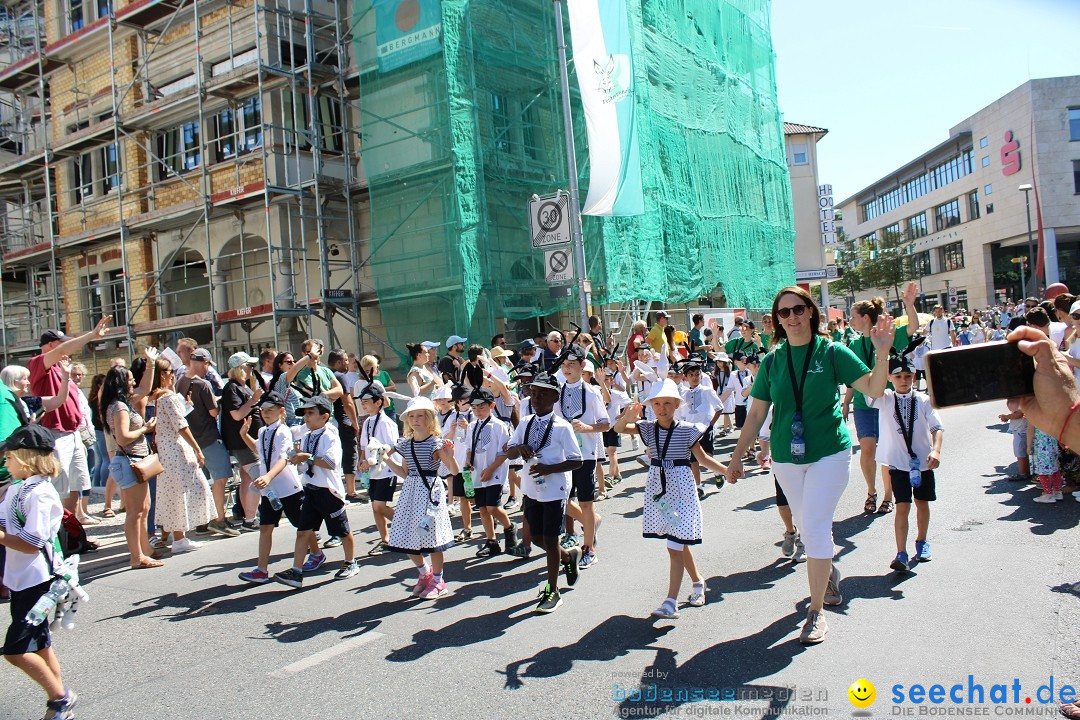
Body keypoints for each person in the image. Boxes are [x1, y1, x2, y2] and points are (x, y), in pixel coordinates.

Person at [727, 286, 896, 645]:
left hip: (829, 454)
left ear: (810, 312)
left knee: (816, 530)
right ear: (777, 320)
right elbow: (757, 412)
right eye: (784, 313)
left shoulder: (833, 352)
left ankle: (816, 612)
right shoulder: (773, 361)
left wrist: (882, 355)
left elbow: (874, 389)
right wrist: (736, 456)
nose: (792, 317)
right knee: (807, 528)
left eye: (798, 310)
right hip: (787, 459)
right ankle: (828, 571)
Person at [614, 379, 729, 618]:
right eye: (656, 403)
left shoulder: (687, 429)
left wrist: (727, 471)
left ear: (677, 404)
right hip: (660, 489)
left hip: (683, 489)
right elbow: (618, 430)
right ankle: (698, 583)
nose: (661, 408)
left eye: (667, 403)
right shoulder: (646, 428)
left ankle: (670, 601)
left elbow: (703, 458)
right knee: (678, 542)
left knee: (674, 545)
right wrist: (627, 416)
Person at [0, 424, 78, 720]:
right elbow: (5, 523)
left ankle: (60, 699)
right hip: (21, 579)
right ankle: (61, 701)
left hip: (41, 581)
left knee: (15, 650)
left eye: (8, 458)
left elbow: (32, 542)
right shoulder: (16, 489)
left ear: (26, 458)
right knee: (41, 645)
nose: (4, 462)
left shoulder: (42, 494)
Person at [502, 371, 584, 613]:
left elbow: (576, 460)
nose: (535, 397)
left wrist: (550, 468)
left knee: (550, 539)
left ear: (555, 397)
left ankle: (552, 591)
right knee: (536, 537)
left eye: (542, 393)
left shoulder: (562, 427)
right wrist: (520, 448)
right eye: (533, 392)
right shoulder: (526, 422)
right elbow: (509, 452)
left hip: (555, 489)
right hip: (531, 487)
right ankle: (568, 557)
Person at [843, 282, 920, 516]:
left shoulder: (888, 335)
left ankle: (888, 495)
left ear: (866, 317)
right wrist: (846, 401)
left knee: (885, 449)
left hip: (886, 401)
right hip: (862, 403)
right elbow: (852, 377)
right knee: (867, 448)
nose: (850, 322)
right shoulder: (854, 343)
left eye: (853, 317)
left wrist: (909, 305)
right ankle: (871, 491)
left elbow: (913, 327)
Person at [865, 355, 944, 571]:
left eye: (908, 376)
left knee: (922, 503)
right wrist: (882, 360)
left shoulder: (923, 400)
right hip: (898, 465)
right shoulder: (885, 398)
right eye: (898, 376)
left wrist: (936, 450)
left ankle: (922, 541)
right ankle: (901, 553)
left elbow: (937, 427)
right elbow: (871, 389)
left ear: (914, 376)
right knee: (902, 506)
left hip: (923, 463)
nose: (903, 380)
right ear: (890, 378)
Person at [274, 396, 358, 588]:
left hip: (329, 491)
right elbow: (307, 463)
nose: (306, 418)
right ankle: (296, 572)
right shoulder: (307, 436)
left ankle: (351, 562)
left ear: (325, 416)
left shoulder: (330, 435)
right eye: (305, 414)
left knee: (342, 530)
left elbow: (330, 462)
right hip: (311, 489)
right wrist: (298, 459)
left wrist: (308, 457)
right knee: (303, 531)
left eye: (311, 413)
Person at [28, 320, 110, 513]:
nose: (66, 349)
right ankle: (59, 534)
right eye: (61, 343)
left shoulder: (59, 367)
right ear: (49, 345)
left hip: (72, 433)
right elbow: (59, 351)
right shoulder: (38, 363)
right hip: (55, 433)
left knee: (76, 484)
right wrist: (91, 335)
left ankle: (72, 532)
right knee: (58, 486)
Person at [237, 392, 319, 584]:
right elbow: (259, 449)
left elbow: (284, 458)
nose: (265, 414)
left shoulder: (283, 431)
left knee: (303, 526)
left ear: (281, 411)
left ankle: (316, 553)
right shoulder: (263, 431)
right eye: (263, 410)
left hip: (287, 487)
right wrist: (244, 435)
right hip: (269, 489)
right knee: (265, 527)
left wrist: (267, 476)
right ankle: (261, 569)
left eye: (270, 410)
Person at [382, 396, 459, 600]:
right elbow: (405, 472)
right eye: (411, 416)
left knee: (432, 538)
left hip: (430, 493)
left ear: (429, 419)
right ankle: (424, 572)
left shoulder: (437, 443)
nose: (415, 420)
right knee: (405, 535)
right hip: (410, 492)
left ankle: (438, 580)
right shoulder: (405, 444)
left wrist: (450, 455)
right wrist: (387, 459)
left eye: (420, 416)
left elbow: (453, 470)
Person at [148, 357, 214, 553]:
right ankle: (179, 538)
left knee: (172, 493)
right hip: (176, 450)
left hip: (166, 450)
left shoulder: (158, 397)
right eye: (169, 372)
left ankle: (173, 535)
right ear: (162, 375)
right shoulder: (167, 397)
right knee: (181, 492)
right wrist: (197, 448)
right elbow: (181, 425)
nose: (172, 375)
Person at [103, 365, 164, 569]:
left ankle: (145, 550)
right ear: (120, 382)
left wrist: (151, 363)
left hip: (133, 460)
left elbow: (145, 388)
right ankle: (137, 557)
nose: (133, 382)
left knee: (143, 509)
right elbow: (123, 437)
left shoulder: (122, 403)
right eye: (129, 379)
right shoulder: (119, 407)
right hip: (128, 461)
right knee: (135, 512)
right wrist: (145, 429)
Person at [175, 349, 239, 538]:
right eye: (207, 366)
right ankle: (219, 519)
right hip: (208, 437)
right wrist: (219, 403)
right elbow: (213, 412)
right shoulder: (202, 384)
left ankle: (201, 521)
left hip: (191, 440)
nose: (207, 369)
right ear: (204, 363)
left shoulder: (180, 382)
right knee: (221, 477)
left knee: (200, 482)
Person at [464, 388, 517, 557]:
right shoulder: (471, 426)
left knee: (493, 506)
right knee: (483, 509)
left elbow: (504, 453)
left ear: (492, 405)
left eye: (482, 407)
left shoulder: (499, 426)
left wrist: (491, 469)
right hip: (478, 472)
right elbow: (469, 448)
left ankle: (509, 528)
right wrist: (468, 460)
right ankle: (491, 541)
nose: (478, 411)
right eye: (474, 408)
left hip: (495, 471)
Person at [219, 352, 264, 529]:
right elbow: (237, 415)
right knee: (257, 477)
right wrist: (254, 400)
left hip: (247, 440)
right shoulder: (232, 388)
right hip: (242, 442)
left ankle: (249, 516)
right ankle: (251, 518)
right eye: (249, 366)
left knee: (248, 478)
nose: (252, 369)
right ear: (240, 368)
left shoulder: (242, 387)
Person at [357, 382, 400, 554]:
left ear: (378, 402)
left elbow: (392, 446)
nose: (363, 403)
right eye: (362, 401)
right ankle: (385, 540)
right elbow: (363, 446)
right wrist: (362, 462)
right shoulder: (367, 422)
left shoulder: (386, 422)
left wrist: (373, 460)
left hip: (386, 470)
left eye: (367, 400)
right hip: (372, 471)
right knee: (375, 507)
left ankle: (406, 527)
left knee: (379, 506)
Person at [327, 350, 362, 503]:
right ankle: (351, 491)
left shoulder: (326, 375)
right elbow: (348, 403)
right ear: (339, 362)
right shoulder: (341, 377)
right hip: (343, 422)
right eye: (346, 360)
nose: (348, 363)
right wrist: (355, 423)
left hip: (330, 422)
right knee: (349, 455)